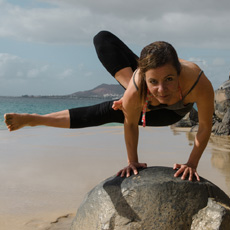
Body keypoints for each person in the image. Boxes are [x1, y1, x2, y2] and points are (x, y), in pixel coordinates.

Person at [4, 31, 214, 181]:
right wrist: (133, 161)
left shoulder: (198, 82)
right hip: (136, 92)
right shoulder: (137, 86)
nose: (161, 89)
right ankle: (34, 119)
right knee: (102, 39)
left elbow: (205, 126)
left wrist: (191, 163)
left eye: (169, 79)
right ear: (144, 76)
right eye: (153, 82)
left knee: (118, 106)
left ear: (178, 71)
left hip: (170, 113)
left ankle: (138, 101)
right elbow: (130, 124)